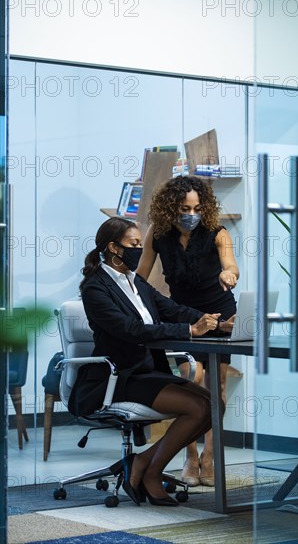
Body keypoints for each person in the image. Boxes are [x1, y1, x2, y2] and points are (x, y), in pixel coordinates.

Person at [74, 217, 223, 507]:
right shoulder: (95, 288)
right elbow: (131, 329)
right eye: (133, 244)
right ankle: (152, 472)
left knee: (215, 405)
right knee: (197, 407)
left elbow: (173, 309)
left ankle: (141, 462)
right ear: (113, 248)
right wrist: (188, 331)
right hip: (120, 377)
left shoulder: (136, 282)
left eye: (141, 244)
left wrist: (215, 324)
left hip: (147, 371)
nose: (139, 250)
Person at [137, 175, 239, 487]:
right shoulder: (159, 234)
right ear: (171, 207)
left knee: (216, 388)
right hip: (185, 319)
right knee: (189, 382)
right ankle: (189, 456)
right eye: (184, 208)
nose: (191, 214)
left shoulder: (218, 233)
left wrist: (229, 275)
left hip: (220, 316)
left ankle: (210, 456)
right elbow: (140, 276)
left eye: (196, 208)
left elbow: (232, 267)